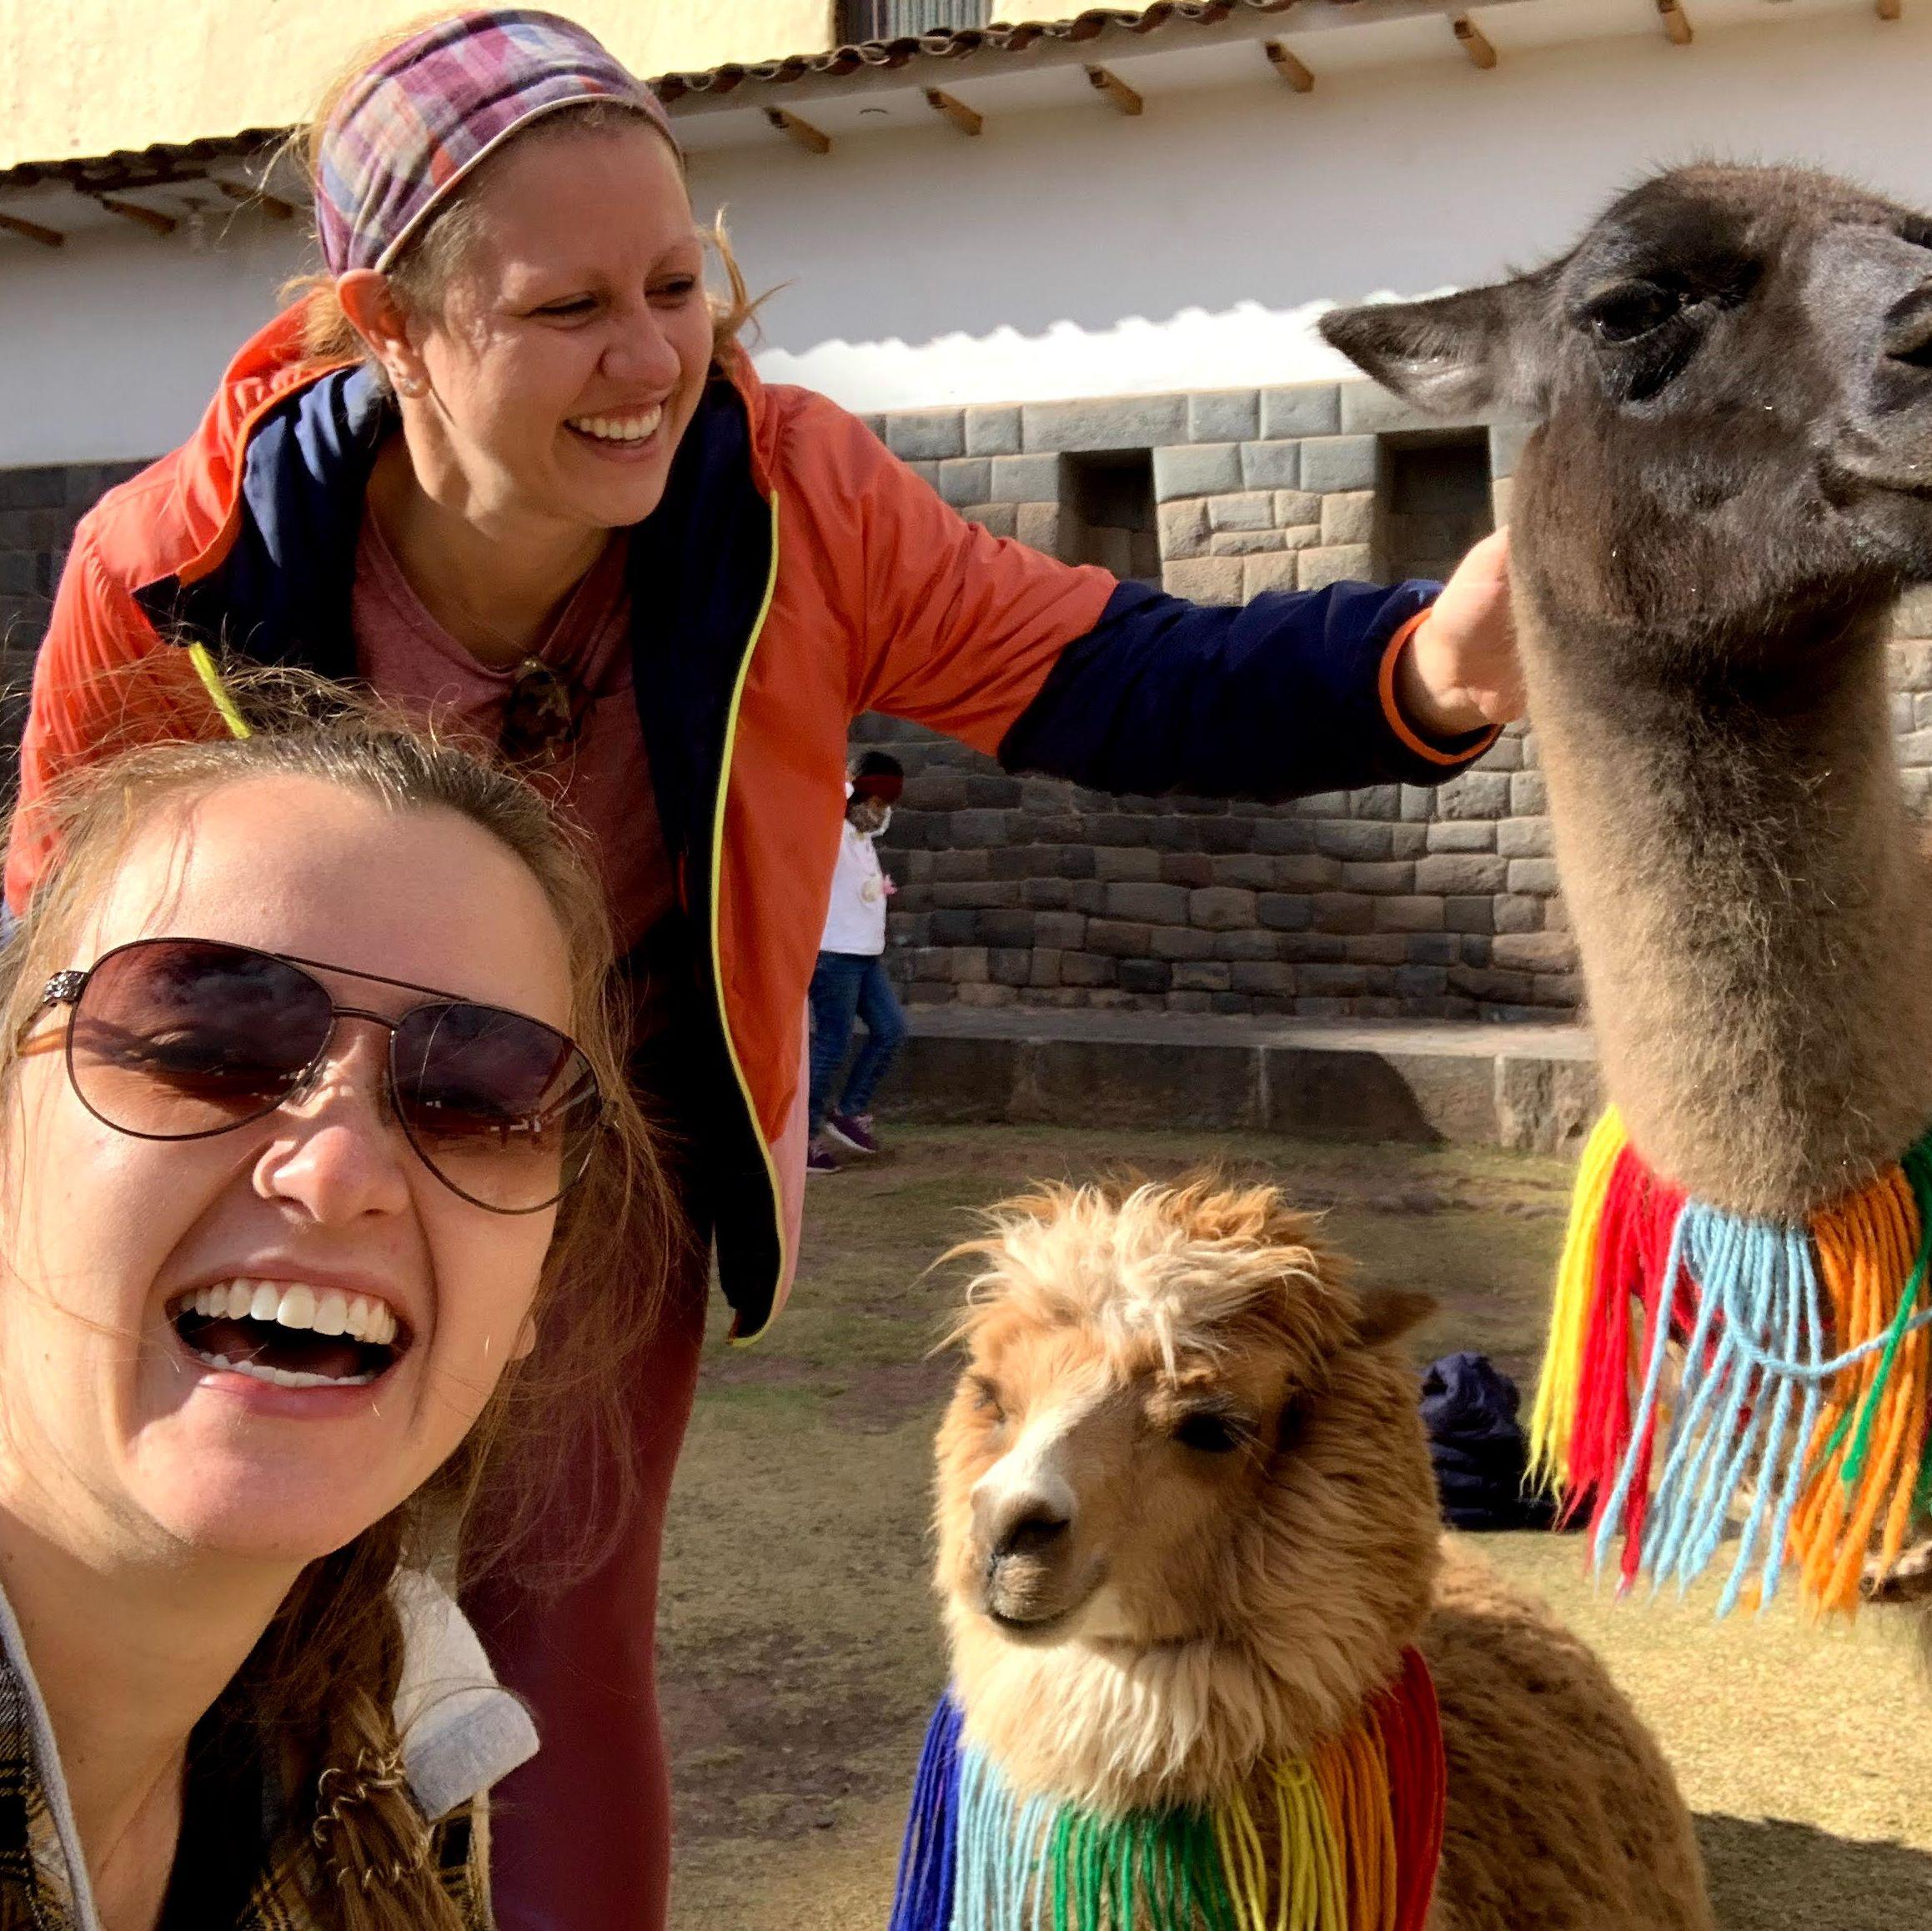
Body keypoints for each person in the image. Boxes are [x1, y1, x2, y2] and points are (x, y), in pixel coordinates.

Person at [4, 13, 1523, 1923]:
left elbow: (1101, 670)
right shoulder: (171, 564)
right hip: (261, 1142)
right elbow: (52, 939)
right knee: (203, 1576)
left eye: (678, 284)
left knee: (558, 1626)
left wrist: (1422, 668)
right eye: (568, 308)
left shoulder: (795, 499)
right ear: (390, 328)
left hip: (582, 1140)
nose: (654, 361)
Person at [0, 698, 662, 1930]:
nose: (340, 1169)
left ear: (537, 1282)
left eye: (480, 1095)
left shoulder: (404, 1759)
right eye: (203, 1038)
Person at [808, 751, 908, 1171]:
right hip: (834, 953)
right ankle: (803, 1139)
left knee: (891, 1030)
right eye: (877, 801)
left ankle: (848, 1111)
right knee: (832, 1045)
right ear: (859, 792)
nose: (881, 812)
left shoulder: (862, 835)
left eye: (887, 804)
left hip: (865, 954)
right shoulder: (828, 823)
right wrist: (851, 781)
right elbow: (829, 791)